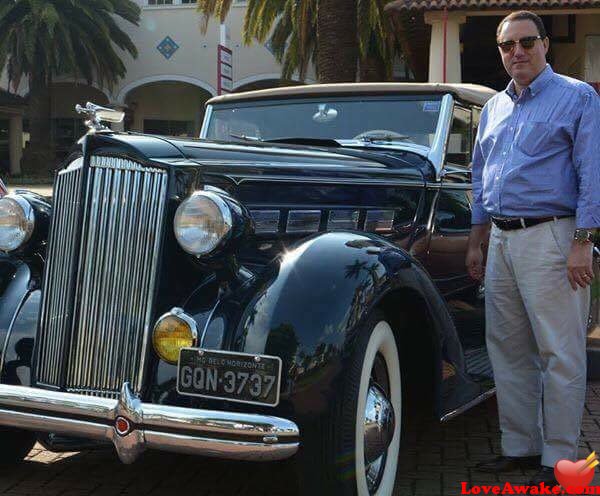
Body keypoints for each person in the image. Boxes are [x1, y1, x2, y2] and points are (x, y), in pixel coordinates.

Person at [466, 10, 600, 487]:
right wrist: (478, 240)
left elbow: (592, 173)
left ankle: (558, 460)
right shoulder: (495, 108)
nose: (516, 52)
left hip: (553, 237)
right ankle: (519, 449)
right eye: (507, 45)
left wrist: (583, 242)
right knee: (506, 348)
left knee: (560, 353)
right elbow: (480, 178)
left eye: (526, 42)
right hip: (501, 239)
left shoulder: (577, 98)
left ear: (546, 45)